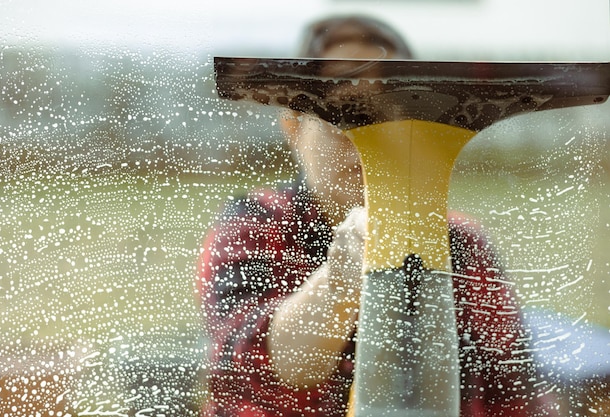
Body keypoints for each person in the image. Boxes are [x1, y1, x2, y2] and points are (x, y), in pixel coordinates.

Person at [197, 15, 557, 417]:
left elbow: (514, 393)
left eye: (387, 116)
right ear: (294, 127)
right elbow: (259, 364)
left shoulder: (464, 243)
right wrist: (338, 284)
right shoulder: (256, 224)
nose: (363, 137)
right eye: (342, 115)